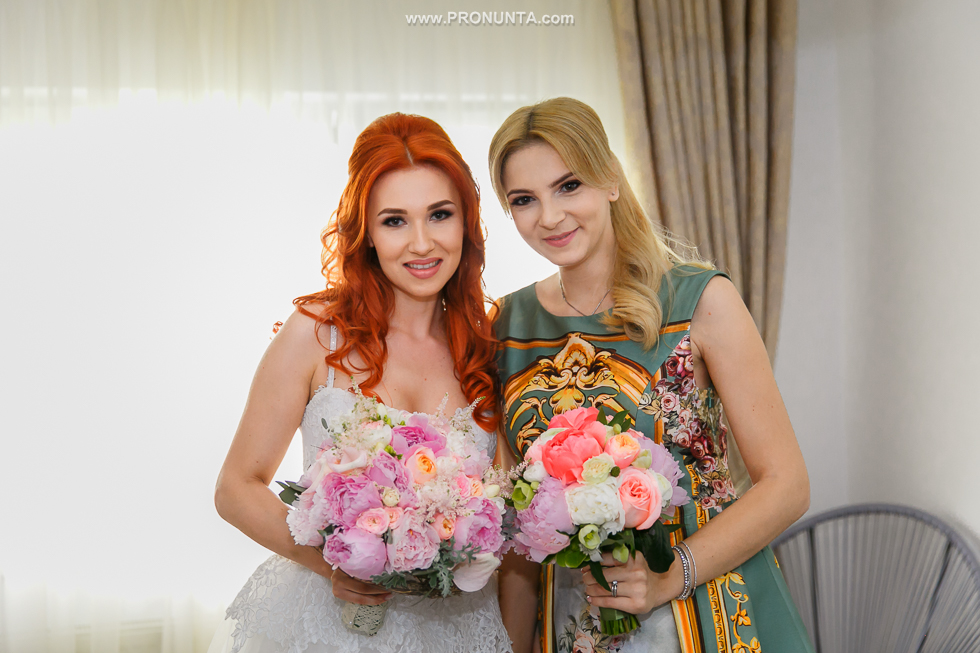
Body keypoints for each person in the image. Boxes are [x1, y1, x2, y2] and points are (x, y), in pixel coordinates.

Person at [489, 97, 814, 653]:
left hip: (709, 608)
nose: (549, 216)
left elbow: (787, 485)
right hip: (570, 622)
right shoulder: (507, 323)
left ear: (610, 180)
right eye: (524, 199)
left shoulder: (701, 299)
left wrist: (670, 576)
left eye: (569, 186)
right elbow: (517, 530)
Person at [209, 113, 513, 653]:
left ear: (467, 222)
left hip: (459, 629)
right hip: (330, 629)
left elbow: (506, 520)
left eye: (439, 215)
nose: (422, 243)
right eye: (395, 221)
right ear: (366, 233)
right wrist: (331, 564)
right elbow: (237, 488)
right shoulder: (316, 334)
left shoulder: (489, 348)